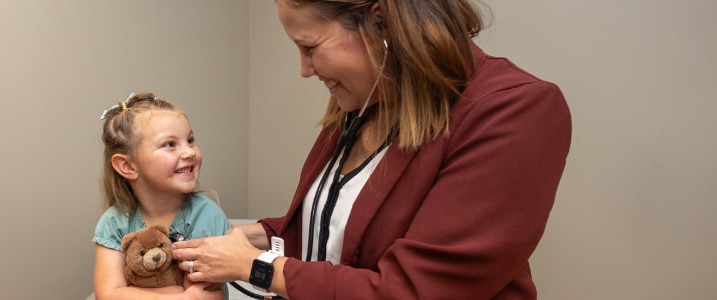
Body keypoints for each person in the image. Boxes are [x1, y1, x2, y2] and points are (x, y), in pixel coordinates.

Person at [172, 0, 571, 299]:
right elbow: (334, 222)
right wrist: (229, 235)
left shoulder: (515, 110)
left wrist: (256, 267)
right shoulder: (367, 100)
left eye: (309, 47)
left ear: (380, 23)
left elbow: (414, 290)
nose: (304, 70)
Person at [92, 92, 230, 300]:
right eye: (170, 144)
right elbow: (108, 294)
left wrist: (132, 293)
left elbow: (205, 295)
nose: (189, 152)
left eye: (190, 140)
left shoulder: (206, 216)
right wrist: (179, 297)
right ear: (128, 166)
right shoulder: (114, 222)